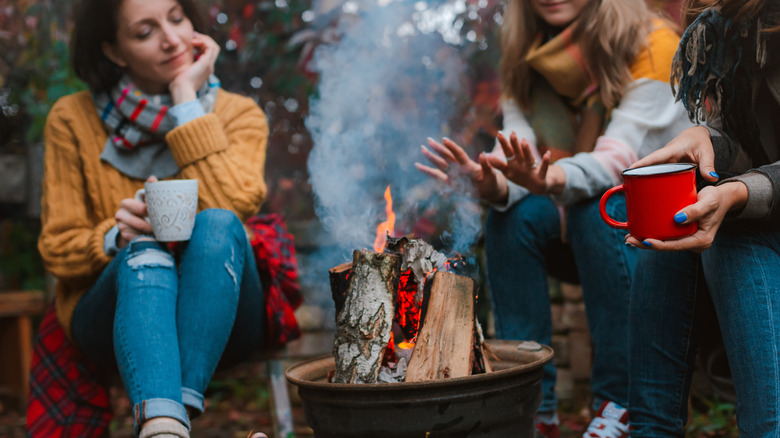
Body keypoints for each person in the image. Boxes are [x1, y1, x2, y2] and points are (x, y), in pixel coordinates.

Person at [416, 0, 692, 436]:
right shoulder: (526, 62)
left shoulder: (655, 45)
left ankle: (618, 404)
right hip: (575, 218)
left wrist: (547, 179)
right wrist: (492, 183)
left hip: (657, 229)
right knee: (511, 217)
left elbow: (619, 161)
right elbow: (520, 157)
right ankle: (529, 407)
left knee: (595, 207)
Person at [37, 0, 270, 436]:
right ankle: (168, 423)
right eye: (145, 32)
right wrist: (113, 237)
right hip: (114, 318)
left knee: (217, 224)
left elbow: (234, 206)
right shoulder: (72, 119)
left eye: (177, 17)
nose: (172, 39)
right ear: (114, 51)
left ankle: (164, 424)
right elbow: (56, 248)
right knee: (144, 251)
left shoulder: (239, 114)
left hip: (224, 309)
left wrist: (186, 101)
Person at [625, 0, 780, 435]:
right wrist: (707, 137)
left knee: (729, 230)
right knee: (671, 227)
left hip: (757, 223)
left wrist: (740, 190)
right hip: (760, 215)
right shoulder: (722, 26)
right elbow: (750, 145)